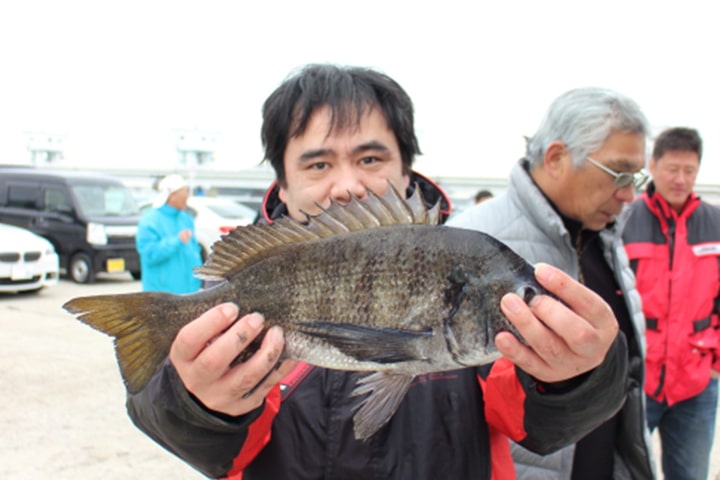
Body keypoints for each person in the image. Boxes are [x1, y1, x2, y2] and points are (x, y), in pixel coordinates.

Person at [126, 65, 629, 479]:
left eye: (370, 157)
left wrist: (578, 377)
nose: (347, 185)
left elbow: (537, 425)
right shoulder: (244, 291)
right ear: (280, 185)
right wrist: (197, 406)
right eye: (318, 165)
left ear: (406, 171)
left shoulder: (472, 271)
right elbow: (213, 453)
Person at [448, 87, 656, 479]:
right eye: (620, 173)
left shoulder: (606, 237)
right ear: (557, 157)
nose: (629, 194)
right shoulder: (467, 243)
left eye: (637, 177)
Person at [623, 127, 720, 480]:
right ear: (653, 164)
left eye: (690, 171)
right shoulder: (625, 220)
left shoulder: (715, 224)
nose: (681, 179)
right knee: (625, 472)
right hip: (637, 379)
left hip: (697, 383)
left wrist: (715, 363)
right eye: (672, 168)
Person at [135, 174, 202, 294]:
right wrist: (177, 240)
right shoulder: (150, 221)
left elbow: (194, 252)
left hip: (190, 293)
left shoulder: (186, 219)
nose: (188, 196)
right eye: (185, 191)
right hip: (161, 296)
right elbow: (149, 255)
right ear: (172, 196)